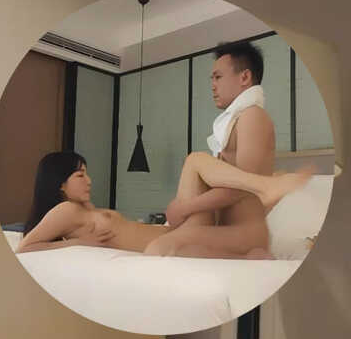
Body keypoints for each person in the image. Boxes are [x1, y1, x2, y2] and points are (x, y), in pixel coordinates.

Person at [16, 150, 309, 255]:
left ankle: (265, 188)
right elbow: (26, 247)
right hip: (174, 240)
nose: (89, 180)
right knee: (195, 162)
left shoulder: (83, 210)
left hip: (174, 232)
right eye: (80, 175)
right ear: (60, 183)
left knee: (206, 171)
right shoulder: (65, 210)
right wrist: (80, 244)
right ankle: (265, 187)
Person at [144, 41, 282, 258]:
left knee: (163, 248)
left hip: (245, 233)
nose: (213, 85)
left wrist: (185, 207)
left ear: (244, 77)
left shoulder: (253, 116)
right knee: (160, 244)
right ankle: (245, 258)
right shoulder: (232, 124)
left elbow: (245, 185)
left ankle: (251, 257)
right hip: (223, 230)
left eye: (218, 77)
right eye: (212, 79)